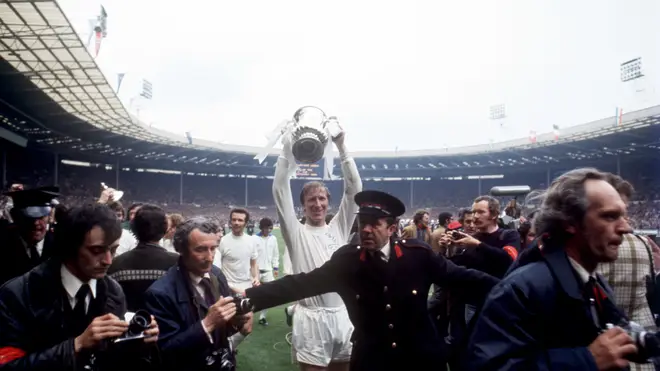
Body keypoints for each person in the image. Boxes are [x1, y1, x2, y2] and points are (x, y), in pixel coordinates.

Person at [241, 190, 499, 371]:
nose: (365, 229)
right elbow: (299, 284)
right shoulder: (347, 262)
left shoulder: (418, 256)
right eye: (363, 222)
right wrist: (246, 300)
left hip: (421, 361)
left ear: (392, 228)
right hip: (372, 362)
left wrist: (513, 290)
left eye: (374, 223)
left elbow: (465, 278)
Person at [462, 168, 652, 371]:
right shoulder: (522, 290)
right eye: (609, 216)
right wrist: (587, 360)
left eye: (623, 216)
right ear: (570, 222)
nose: (626, 228)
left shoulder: (591, 282)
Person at [0, 203, 160, 370]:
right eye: (96, 250)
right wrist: (75, 346)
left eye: (113, 250)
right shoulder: (16, 295)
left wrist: (139, 343)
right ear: (70, 247)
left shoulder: (113, 291)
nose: (108, 261)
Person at [272, 128, 362, 370]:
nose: (317, 204)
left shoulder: (339, 228)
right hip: (311, 319)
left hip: (342, 314)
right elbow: (280, 189)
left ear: (328, 202)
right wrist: (287, 148)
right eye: (311, 199)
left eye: (322, 198)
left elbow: (355, 190)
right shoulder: (296, 232)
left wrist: (342, 147)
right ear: (302, 206)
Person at [145, 218, 252, 371]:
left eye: (213, 248)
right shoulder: (159, 294)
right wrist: (207, 324)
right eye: (200, 249)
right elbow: (164, 352)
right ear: (181, 249)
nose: (210, 257)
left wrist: (235, 321)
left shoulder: (216, 274)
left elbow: (223, 331)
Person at [0, 186, 59, 286]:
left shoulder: (60, 247)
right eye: (29, 217)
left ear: (50, 216)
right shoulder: (3, 245)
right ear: (15, 216)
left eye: (41, 216)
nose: (36, 223)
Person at [254, 217, 279, 326]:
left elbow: (275, 254)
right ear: (261, 227)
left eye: (270, 228)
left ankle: (262, 317)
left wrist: (276, 267)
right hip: (256, 272)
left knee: (269, 295)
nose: (268, 230)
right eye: (266, 228)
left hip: (268, 271)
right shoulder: (254, 238)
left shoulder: (273, 239)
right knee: (251, 295)